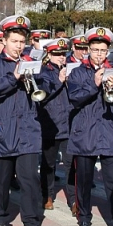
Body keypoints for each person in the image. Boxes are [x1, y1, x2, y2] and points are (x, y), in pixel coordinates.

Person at [0, 15, 45, 226]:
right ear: (4, 41)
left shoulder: (31, 62)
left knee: (30, 180)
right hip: (2, 129)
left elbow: (44, 89)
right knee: (1, 180)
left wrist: (37, 79)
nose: (19, 46)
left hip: (28, 130)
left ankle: (30, 225)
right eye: (15, 41)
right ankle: (0, 218)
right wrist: (14, 77)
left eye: (22, 41)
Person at [66, 27, 113, 226]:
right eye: (95, 50)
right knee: (84, 179)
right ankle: (84, 217)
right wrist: (94, 84)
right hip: (85, 133)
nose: (99, 54)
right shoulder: (77, 72)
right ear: (88, 50)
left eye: (103, 50)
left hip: (110, 132)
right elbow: (74, 98)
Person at [36, 38, 75, 213]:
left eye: (63, 54)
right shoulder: (43, 72)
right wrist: (59, 80)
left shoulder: (70, 71)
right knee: (48, 164)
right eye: (57, 54)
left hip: (68, 125)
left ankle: (74, 200)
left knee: (70, 165)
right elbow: (42, 95)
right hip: (50, 126)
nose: (61, 57)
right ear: (49, 54)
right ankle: (47, 195)